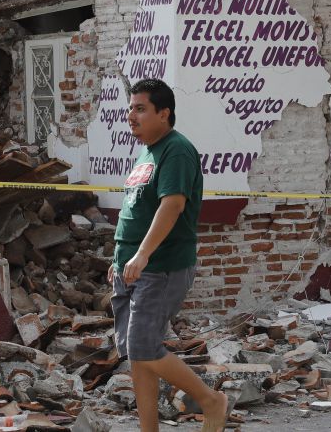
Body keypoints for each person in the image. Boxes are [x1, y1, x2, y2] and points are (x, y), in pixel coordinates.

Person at [109, 78, 228, 432]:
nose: (131, 115)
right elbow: (135, 210)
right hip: (131, 267)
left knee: (144, 346)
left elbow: (172, 205)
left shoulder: (176, 149)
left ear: (165, 113)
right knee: (137, 354)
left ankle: (211, 400)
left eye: (141, 108)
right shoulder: (147, 150)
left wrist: (142, 255)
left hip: (161, 266)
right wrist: (118, 260)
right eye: (130, 107)